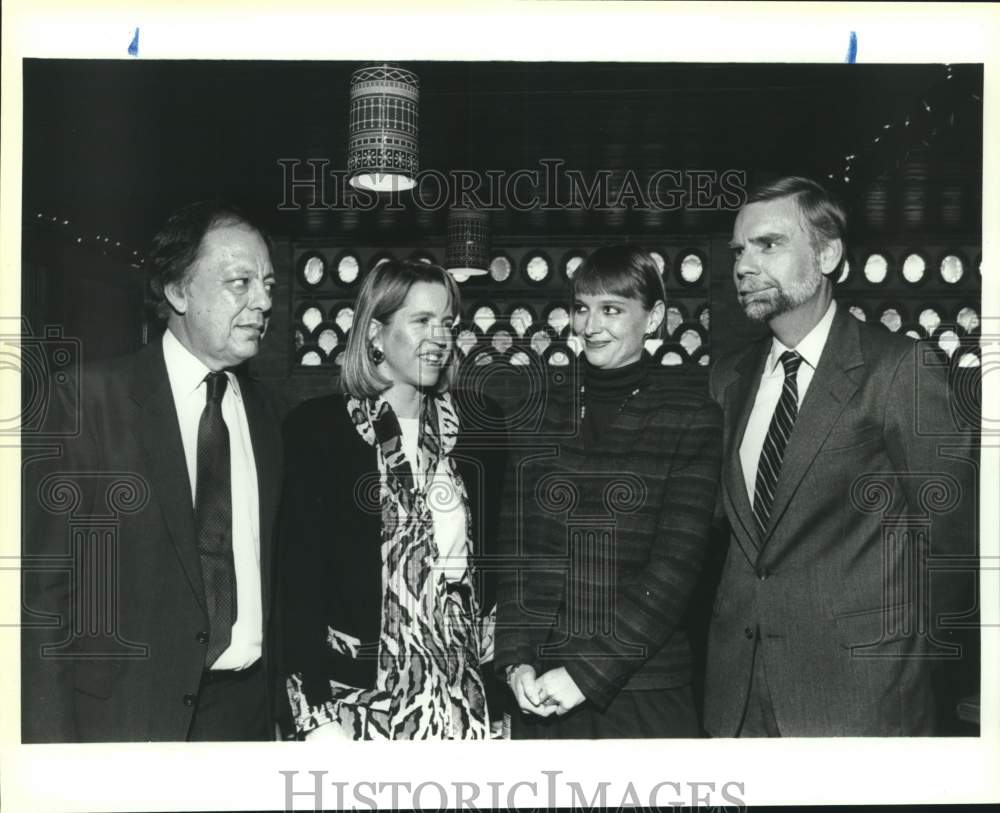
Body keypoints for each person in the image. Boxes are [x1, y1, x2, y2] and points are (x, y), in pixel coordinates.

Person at [704, 176, 978, 737]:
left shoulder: (900, 369)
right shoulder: (728, 379)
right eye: (739, 249)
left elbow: (953, 542)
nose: (743, 265)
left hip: (861, 701)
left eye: (769, 244)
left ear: (828, 254)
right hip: (738, 698)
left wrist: (904, 668)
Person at [21, 200, 283, 742]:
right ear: (178, 291)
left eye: (269, 285)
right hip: (124, 720)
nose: (262, 302)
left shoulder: (269, 415)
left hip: (246, 718)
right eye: (240, 282)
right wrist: (48, 754)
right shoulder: (86, 404)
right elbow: (43, 598)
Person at [495, 244, 723, 738]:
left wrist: (585, 673)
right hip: (538, 690)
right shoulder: (536, 413)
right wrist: (515, 662)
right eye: (582, 309)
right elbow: (513, 554)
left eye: (612, 310)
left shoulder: (690, 418)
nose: (591, 326)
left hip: (640, 693)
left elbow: (674, 571)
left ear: (655, 317)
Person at [279, 259, 504, 740]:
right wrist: (312, 715)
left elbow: (494, 565)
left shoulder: (480, 427)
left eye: (448, 323)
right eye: (421, 321)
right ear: (375, 334)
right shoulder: (318, 430)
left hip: (463, 696)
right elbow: (296, 583)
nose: (439, 336)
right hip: (356, 702)